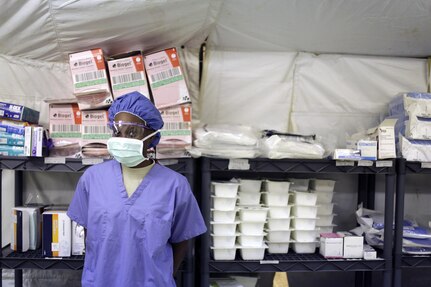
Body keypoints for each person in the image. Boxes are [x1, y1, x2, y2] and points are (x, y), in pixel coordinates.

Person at [67, 91, 207, 287]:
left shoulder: (175, 186)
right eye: (117, 132)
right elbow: (91, 236)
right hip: (101, 281)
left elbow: (181, 240)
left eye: (132, 132)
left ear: (151, 137)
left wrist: (162, 276)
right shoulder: (92, 179)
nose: (122, 138)